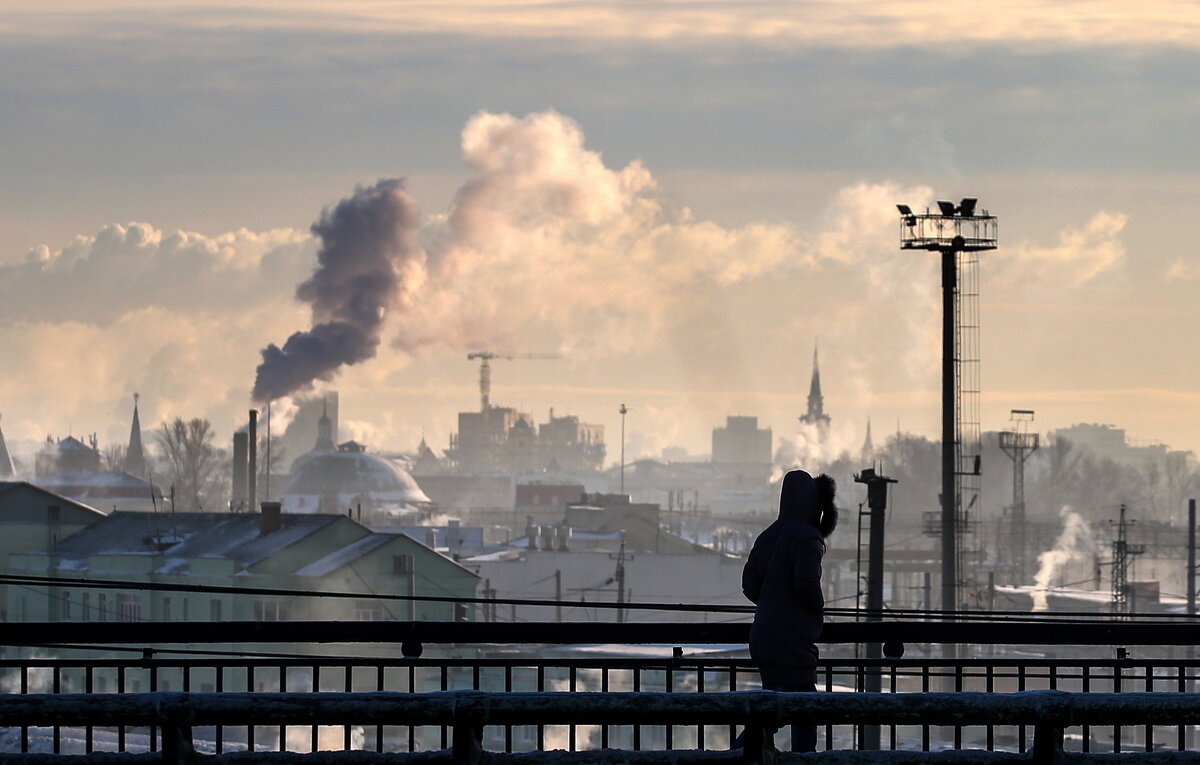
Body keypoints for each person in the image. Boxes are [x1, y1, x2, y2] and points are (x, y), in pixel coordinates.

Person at [739, 469, 838, 753]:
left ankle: (740, 754)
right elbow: (806, 582)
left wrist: (772, 606)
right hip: (794, 636)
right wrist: (814, 611)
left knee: (771, 707)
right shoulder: (808, 537)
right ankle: (803, 760)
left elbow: (749, 585)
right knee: (806, 707)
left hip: (763, 634)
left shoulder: (767, 535)